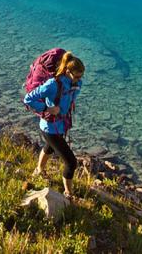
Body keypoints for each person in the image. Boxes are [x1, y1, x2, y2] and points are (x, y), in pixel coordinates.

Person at [23, 52, 85, 198]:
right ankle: (68, 193)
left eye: (81, 76)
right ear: (67, 71)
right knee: (71, 162)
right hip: (49, 127)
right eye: (76, 76)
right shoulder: (53, 84)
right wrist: (47, 108)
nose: (79, 80)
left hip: (61, 125)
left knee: (49, 147)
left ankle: (39, 170)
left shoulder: (76, 83)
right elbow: (28, 99)